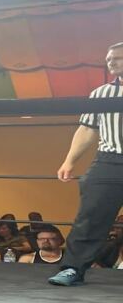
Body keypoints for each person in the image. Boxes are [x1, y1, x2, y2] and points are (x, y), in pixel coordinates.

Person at [49, 42, 123, 286]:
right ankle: (72, 269)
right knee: (90, 217)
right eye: (109, 58)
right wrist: (69, 161)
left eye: (117, 58)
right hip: (109, 160)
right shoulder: (101, 93)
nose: (111, 62)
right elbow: (87, 129)